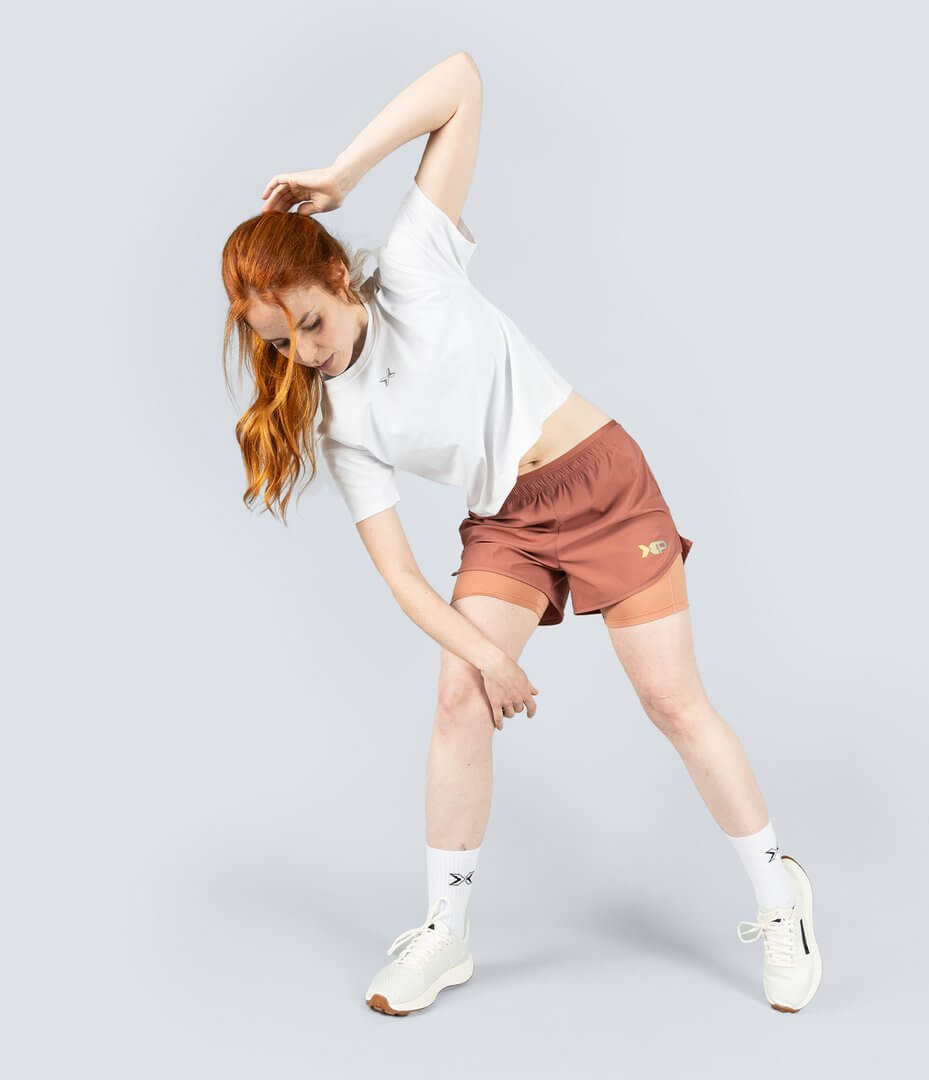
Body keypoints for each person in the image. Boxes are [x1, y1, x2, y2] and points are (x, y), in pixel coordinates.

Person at [220, 51, 821, 1017]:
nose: (306, 355)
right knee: (459, 692)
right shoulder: (342, 424)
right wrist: (490, 658)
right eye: (281, 344)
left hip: (604, 484)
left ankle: (778, 893)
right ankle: (445, 932)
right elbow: (403, 578)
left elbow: (460, 79)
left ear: (339, 276)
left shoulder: (414, 266)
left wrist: (343, 172)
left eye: (311, 325)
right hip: (508, 523)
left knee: (671, 702)